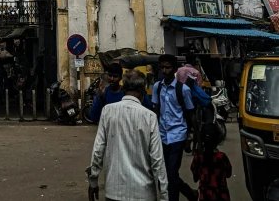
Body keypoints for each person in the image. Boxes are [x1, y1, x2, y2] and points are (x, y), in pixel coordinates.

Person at [87, 70, 168, 201]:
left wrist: (93, 181)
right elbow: (158, 160)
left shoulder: (108, 111)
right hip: (144, 193)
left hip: (114, 192)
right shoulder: (150, 117)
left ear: (123, 90)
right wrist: (164, 195)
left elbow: (98, 149)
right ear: (142, 92)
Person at [152, 55, 198, 201]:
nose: (164, 71)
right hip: (162, 135)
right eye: (162, 67)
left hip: (178, 135)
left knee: (171, 172)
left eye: (168, 67)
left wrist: (195, 136)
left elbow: (191, 114)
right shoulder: (157, 87)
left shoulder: (183, 89)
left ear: (175, 70)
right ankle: (190, 193)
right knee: (165, 174)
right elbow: (155, 111)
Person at [190, 124, 232, 201]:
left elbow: (195, 176)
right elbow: (229, 174)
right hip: (221, 196)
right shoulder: (221, 157)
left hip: (205, 196)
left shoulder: (199, 157)